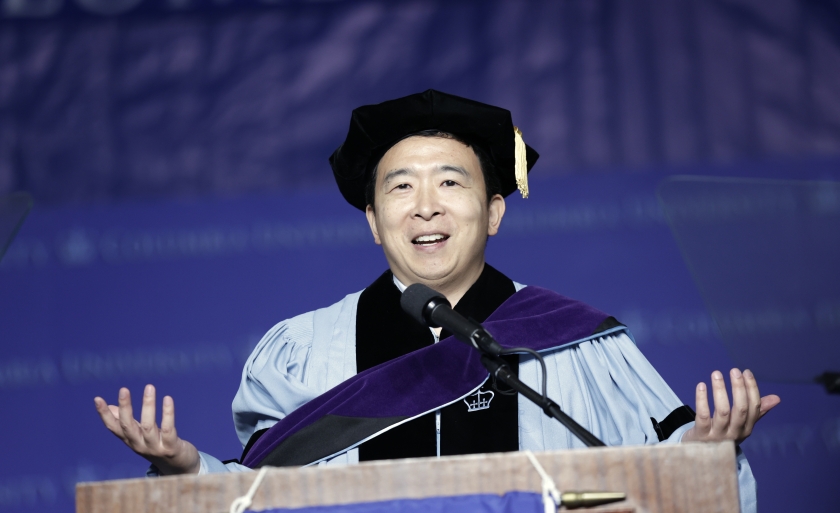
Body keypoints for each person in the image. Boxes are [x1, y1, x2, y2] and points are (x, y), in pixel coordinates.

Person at [94, 90, 780, 510]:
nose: (425, 205)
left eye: (451, 183)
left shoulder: (579, 344)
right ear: (372, 219)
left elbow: (657, 481)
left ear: (493, 213)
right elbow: (264, 502)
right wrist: (184, 471)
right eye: (400, 187)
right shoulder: (305, 352)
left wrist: (706, 453)